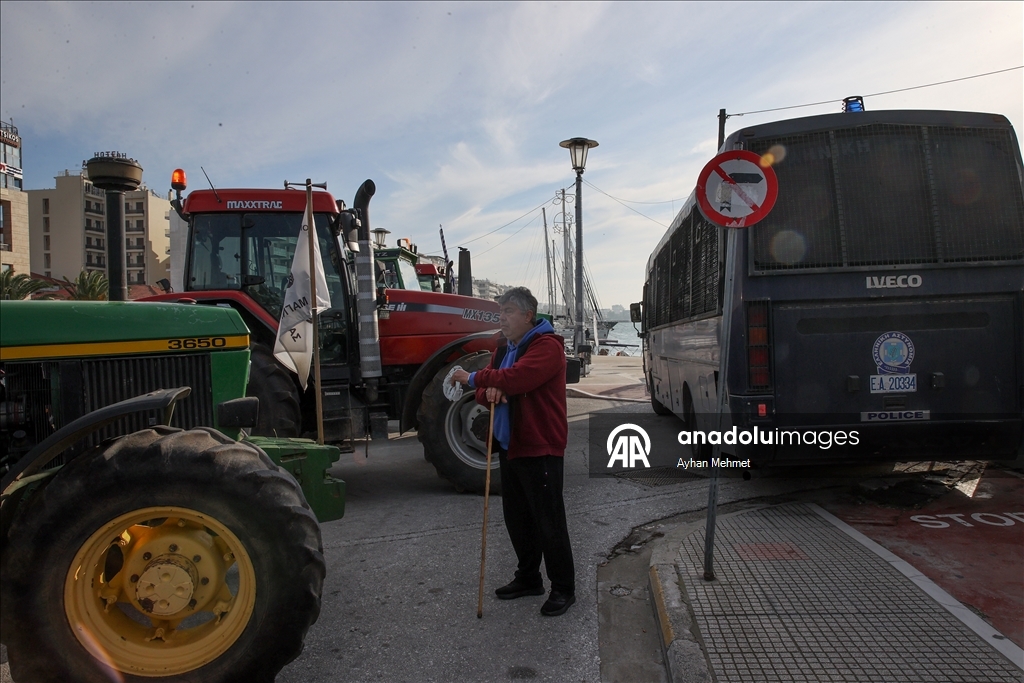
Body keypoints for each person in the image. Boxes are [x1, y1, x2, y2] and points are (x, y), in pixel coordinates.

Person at [450, 287, 575, 617]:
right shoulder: (504, 346)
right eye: (500, 311)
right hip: (509, 446)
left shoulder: (548, 347)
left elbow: (518, 379)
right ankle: (528, 578)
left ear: (527, 316)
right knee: (518, 520)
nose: (501, 317)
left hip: (540, 446)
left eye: (507, 311)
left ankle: (563, 588)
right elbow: (488, 392)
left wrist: (473, 377)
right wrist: (488, 387)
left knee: (549, 521)